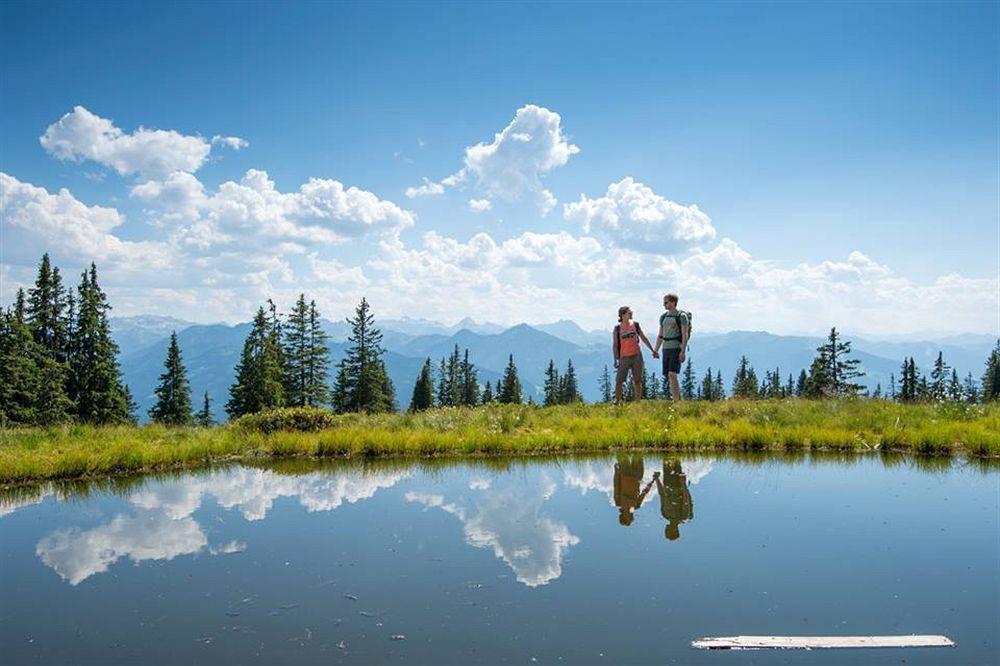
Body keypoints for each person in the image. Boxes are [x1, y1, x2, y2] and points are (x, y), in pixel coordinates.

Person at [612, 305, 657, 403]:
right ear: (622, 315)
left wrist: (652, 350)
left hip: (637, 356)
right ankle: (617, 401)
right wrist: (615, 359)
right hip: (624, 357)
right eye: (629, 312)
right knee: (619, 381)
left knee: (637, 380)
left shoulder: (635, 325)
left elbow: (643, 338)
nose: (631, 313)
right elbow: (615, 345)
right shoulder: (617, 329)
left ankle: (637, 402)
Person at [653, 293, 689, 401]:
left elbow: (685, 334)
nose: (664, 304)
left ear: (673, 302)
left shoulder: (682, 316)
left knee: (672, 373)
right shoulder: (663, 317)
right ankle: (676, 398)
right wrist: (656, 349)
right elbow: (660, 335)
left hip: (675, 348)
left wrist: (682, 351)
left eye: (666, 302)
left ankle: (676, 401)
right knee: (669, 375)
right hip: (665, 348)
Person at [655, 458, 693, 541]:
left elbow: (662, 494)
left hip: (667, 483)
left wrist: (657, 479)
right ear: (674, 530)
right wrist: (683, 484)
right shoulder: (683, 516)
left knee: (666, 460)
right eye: (667, 531)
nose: (665, 529)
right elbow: (686, 500)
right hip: (677, 484)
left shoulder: (665, 515)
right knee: (676, 462)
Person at [614, 454, 655, 526]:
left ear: (623, 516)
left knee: (621, 453)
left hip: (624, 473)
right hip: (637, 476)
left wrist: (616, 472)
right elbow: (644, 493)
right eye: (631, 518)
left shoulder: (618, 502)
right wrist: (652, 481)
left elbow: (616, 485)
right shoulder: (636, 506)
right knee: (638, 453)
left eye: (629, 518)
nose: (631, 517)